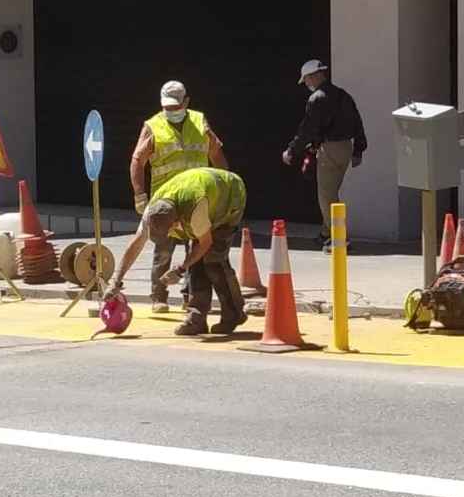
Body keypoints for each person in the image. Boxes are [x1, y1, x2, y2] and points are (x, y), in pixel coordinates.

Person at [110, 167, 249, 337]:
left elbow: (206, 243)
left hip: (229, 196)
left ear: (176, 222)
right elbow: (136, 245)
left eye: (168, 232)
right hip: (203, 191)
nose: (169, 236)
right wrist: (116, 280)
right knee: (195, 261)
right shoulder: (152, 211)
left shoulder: (195, 208)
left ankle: (233, 313)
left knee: (213, 259)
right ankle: (196, 318)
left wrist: (179, 270)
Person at [130, 81, 227, 314]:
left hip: (195, 201)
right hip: (166, 203)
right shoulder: (153, 126)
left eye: (176, 106)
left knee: (195, 250)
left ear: (186, 102)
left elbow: (216, 154)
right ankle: (158, 295)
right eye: (167, 107)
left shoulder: (199, 122)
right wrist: (140, 195)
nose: (171, 111)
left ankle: (190, 296)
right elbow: (137, 161)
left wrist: (223, 186)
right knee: (163, 249)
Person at [282, 59, 366, 251]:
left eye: (307, 80)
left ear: (315, 76)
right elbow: (357, 122)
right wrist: (359, 149)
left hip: (329, 150)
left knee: (326, 196)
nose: (306, 84)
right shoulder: (343, 95)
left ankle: (339, 239)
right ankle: (326, 233)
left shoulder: (317, 99)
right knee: (330, 192)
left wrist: (291, 150)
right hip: (345, 148)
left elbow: (307, 129)